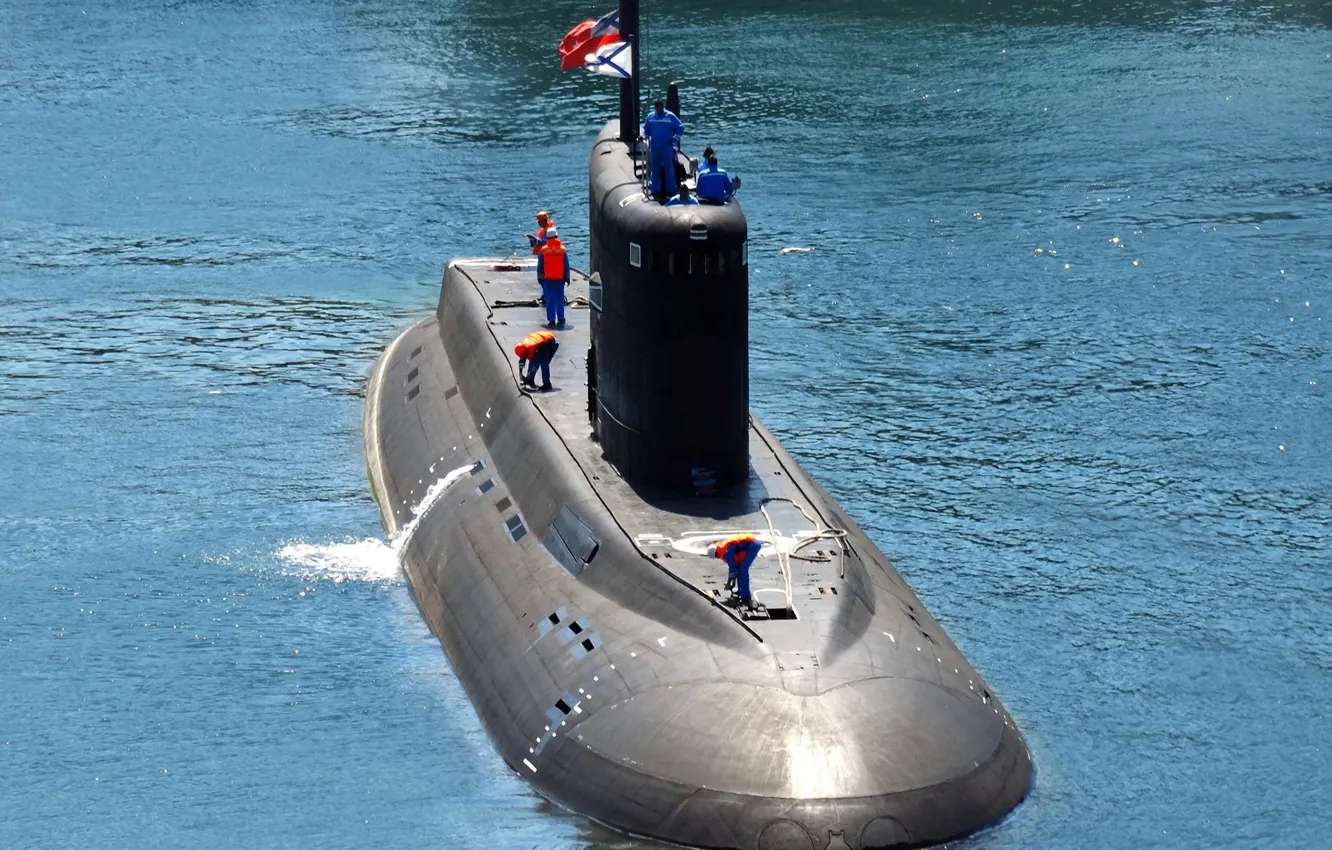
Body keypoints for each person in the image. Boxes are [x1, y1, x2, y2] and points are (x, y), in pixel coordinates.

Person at [642, 100, 683, 196]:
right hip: (655, 147)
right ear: (655, 107)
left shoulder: (670, 116)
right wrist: (645, 136)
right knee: (655, 168)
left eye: (660, 105)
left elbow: (680, 127)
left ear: (663, 106)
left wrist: (674, 138)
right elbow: (646, 129)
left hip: (666, 146)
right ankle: (655, 188)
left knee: (669, 168)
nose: (659, 107)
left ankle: (671, 188)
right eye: (657, 105)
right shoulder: (650, 117)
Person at [708, 535, 762, 607]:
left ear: (716, 554)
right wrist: (732, 583)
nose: (717, 558)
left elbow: (732, 568)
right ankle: (740, 591)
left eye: (716, 557)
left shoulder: (726, 552)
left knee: (743, 569)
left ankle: (746, 595)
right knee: (739, 568)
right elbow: (735, 568)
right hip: (750, 545)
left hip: (753, 545)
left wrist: (729, 582)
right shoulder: (723, 548)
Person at [537, 227, 570, 328]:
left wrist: (539, 277)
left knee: (550, 299)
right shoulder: (562, 250)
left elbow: (540, 265)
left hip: (548, 279)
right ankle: (561, 318)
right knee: (559, 298)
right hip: (559, 278)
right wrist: (567, 278)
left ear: (547, 237)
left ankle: (551, 320)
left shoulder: (544, 250)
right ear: (557, 236)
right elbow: (566, 265)